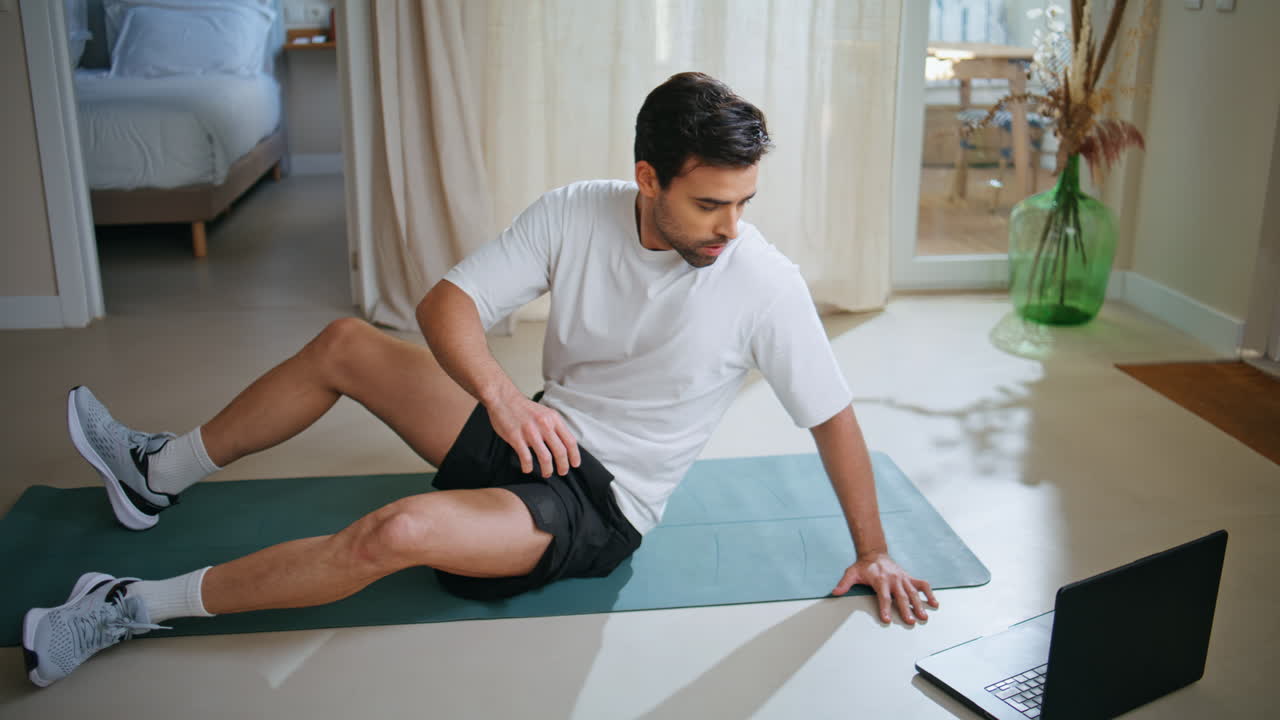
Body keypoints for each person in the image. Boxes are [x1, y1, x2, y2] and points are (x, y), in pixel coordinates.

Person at [22, 72, 938, 687]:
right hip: (531, 431)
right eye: (709, 203)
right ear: (646, 178)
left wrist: (874, 547)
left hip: (599, 507)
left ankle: (127, 605)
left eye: (744, 202)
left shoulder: (762, 283)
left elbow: (833, 417)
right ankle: (157, 474)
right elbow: (446, 303)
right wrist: (501, 397)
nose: (729, 226)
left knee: (401, 529)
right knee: (346, 341)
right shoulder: (579, 212)